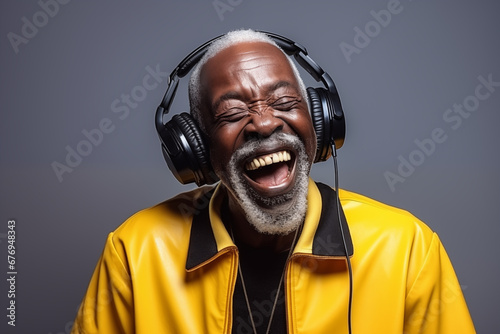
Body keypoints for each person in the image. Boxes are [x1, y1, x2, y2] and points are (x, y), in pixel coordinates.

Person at [71, 29, 475, 334]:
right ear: (196, 148)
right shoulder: (135, 250)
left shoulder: (407, 249)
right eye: (231, 114)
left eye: (284, 103)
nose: (264, 123)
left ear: (320, 121)